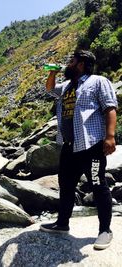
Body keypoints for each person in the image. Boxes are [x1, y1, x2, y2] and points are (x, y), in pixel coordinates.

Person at [40, 50, 118, 250]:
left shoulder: (98, 81)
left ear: (82, 63)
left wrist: (110, 137)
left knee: (98, 184)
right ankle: (62, 223)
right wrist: (52, 73)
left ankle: (105, 230)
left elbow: (110, 108)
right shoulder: (66, 86)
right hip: (69, 145)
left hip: (91, 145)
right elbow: (50, 89)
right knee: (65, 186)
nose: (68, 63)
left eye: (72, 60)